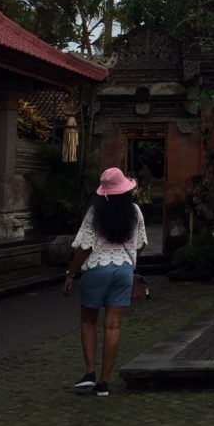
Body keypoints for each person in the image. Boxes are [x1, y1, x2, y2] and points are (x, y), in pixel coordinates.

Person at [63, 167, 148, 396]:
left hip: (97, 269)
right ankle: (104, 382)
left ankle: (90, 372)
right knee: (113, 326)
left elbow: (84, 247)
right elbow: (140, 244)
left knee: (88, 320)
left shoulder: (95, 212)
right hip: (123, 270)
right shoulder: (135, 211)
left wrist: (70, 274)